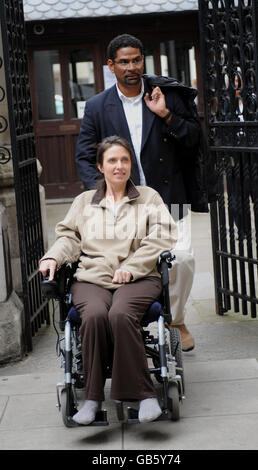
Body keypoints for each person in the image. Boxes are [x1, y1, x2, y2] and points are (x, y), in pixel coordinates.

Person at [75, 33, 207, 351]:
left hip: (169, 196)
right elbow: (84, 156)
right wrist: (105, 196)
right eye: (123, 61)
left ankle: (175, 319)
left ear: (142, 60)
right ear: (111, 66)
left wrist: (166, 115)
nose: (131, 66)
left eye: (136, 59)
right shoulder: (97, 107)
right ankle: (136, 314)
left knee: (182, 259)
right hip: (124, 202)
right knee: (132, 261)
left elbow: (194, 141)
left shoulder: (168, 96)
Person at [39, 135, 177, 425]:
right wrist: (53, 256)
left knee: (121, 314)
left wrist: (133, 265)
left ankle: (144, 395)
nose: (119, 166)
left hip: (138, 278)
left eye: (124, 160)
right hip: (93, 278)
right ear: (100, 166)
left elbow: (163, 235)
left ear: (131, 165)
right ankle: (91, 397)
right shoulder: (84, 202)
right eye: (112, 160)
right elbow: (68, 237)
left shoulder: (148, 197)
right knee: (94, 316)